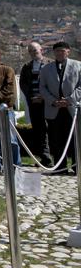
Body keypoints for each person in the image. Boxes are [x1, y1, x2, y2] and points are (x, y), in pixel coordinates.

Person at [39, 41, 80, 174]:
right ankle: (60, 167)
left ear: (68, 52)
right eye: (57, 51)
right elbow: (42, 88)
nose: (59, 53)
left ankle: (77, 166)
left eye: (62, 51)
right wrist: (53, 101)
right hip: (54, 109)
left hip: (72, 109)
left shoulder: (78, 66)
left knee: (75, 139)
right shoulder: (46, 69)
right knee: (56, 139)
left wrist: (69, 100)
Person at [19, 42, 52, 166]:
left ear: (41, 50)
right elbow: (23, 84)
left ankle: (56, 158)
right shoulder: (26, 67)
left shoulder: (50, 64)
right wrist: (32, 97)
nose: (33, 53)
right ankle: (44, 158)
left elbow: (54, 83)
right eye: (31, 51)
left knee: (51, 129)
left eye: (35, 50)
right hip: (33, 103)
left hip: (48, 103)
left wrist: (44, 97)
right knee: (38, 130)